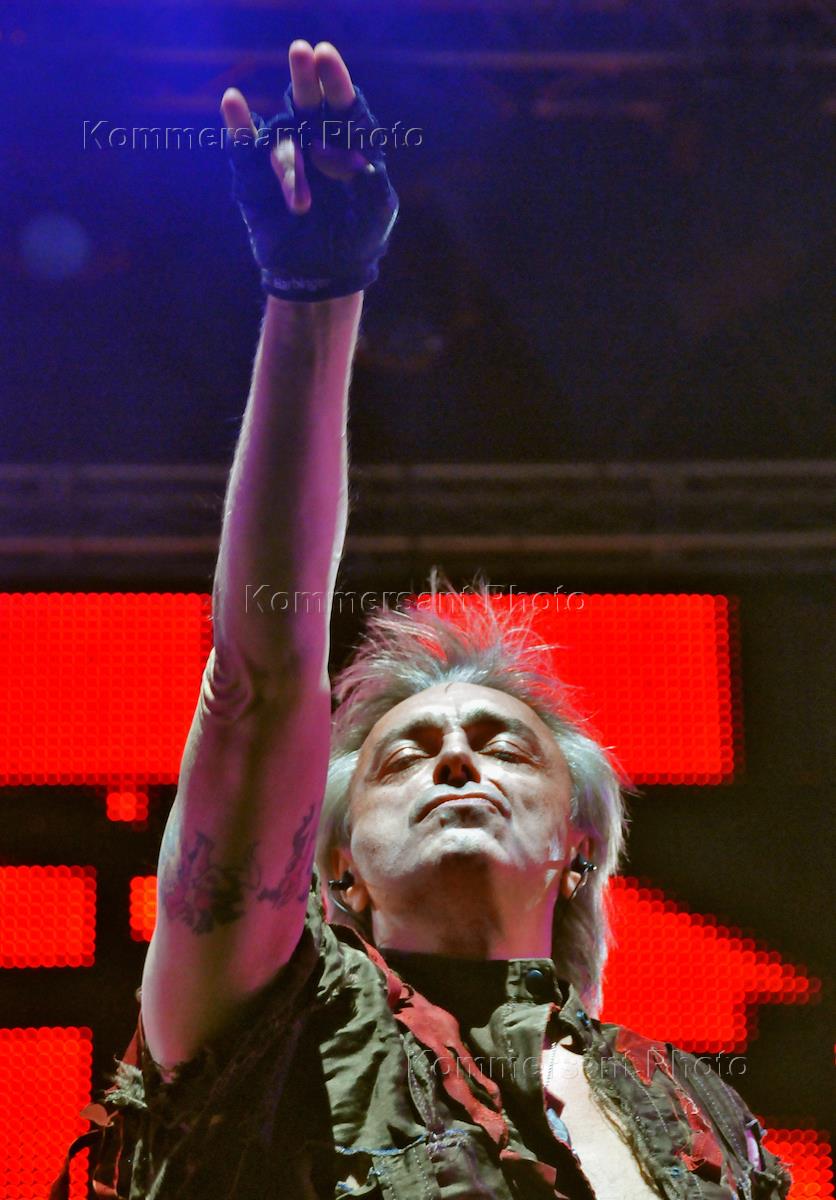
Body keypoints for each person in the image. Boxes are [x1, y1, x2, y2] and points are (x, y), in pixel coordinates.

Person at [52, 40, 792, 1200]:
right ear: (335, 864)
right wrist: (314, 299)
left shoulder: (697, 1113)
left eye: (504, 745)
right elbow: (256, 690)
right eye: (403, 754)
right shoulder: (271, 1022)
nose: (455, 757)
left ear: (576, 846)